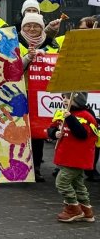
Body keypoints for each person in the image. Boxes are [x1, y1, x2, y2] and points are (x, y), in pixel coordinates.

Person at [47, 92, 97, 222]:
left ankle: (73, 208)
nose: (65, 100)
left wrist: (70, 118)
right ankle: (86, 211)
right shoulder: (61, 113)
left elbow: (82, 134)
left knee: (61, 182)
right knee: (78, 184)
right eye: (63, 97)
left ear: (78, 100)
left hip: (77, 158)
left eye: (68, 98)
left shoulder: (86, 116)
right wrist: (54, 133)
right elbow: (51, 128)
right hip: (65, 155)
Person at [20, 14, 58, 183]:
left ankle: (35, 168)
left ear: (42, 28)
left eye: (36, 26)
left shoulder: (51, 44)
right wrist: (28, 58)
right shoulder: (14, 42)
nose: (32, 29)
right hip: (19, 92)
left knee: (37, 132)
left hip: (41, 93)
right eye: (28, 25)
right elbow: (12, 67)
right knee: (19, 131)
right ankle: (20, 167)